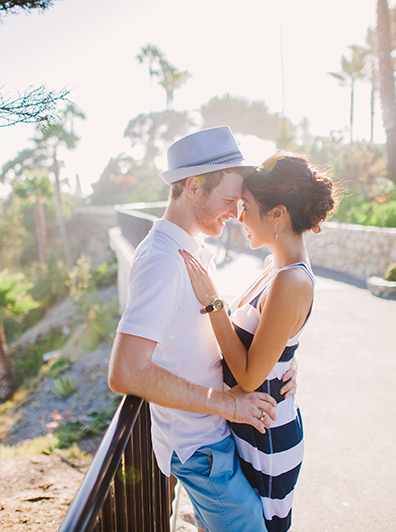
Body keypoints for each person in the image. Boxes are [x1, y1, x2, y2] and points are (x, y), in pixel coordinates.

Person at [108, 126, 296, 532]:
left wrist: (277, 362)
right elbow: (126, 372)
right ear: (193, 187)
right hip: (199, 447)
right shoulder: (162, 261)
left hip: (214, 436)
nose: (236, 213)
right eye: (229, 200)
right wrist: (229, 405)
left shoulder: (189, 250)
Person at [179, 152, 337, 532]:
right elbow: (269, 345)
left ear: (278, 214)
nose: (237, 215)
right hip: (255, 425)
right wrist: (286, 363)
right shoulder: (275, 268)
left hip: (267, 439)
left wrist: (213, 302)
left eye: (246, 206)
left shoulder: (290, 280)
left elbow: (249, 376)